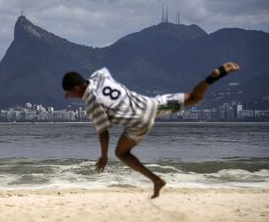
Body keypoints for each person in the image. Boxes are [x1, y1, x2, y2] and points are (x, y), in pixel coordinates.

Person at [62, 62, 240, 198]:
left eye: (69, 93)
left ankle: (156, 180)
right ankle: (213, 77)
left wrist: (103, 156)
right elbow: (106, 81)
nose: (68, 96)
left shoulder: (91, 104)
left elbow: (103, 132)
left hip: (139, 122)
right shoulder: (100, 75)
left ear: (77, 89)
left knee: (122, 154)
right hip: (152, 104)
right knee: (193, 98)